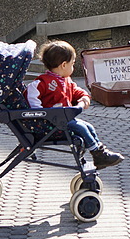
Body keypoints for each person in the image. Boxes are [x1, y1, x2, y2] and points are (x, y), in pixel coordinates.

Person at [26, 41, 124, 169]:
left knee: (88, 126)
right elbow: (32, 100)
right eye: (72, 64)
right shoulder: (42, 83)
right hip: (51, 124)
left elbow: (76, 90)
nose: (74, 67)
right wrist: (44, 114)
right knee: (81, 127)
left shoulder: (66, 80)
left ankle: (99, 153)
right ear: (64, 65)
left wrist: (84, 97)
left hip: (62, 119)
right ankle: (98, 153)